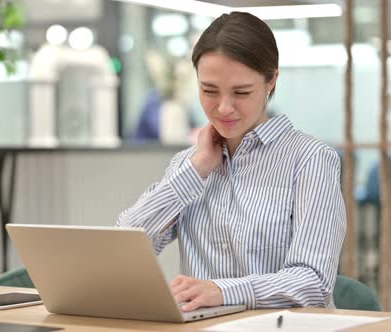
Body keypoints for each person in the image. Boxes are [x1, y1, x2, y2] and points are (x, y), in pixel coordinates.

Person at [117, 12, 346, 311]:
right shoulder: (189, 164)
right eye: (208, 90)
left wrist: (223, 291)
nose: (223, 107)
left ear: (271, 81)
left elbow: (313, 282)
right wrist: (196, 169)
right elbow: (127, 248)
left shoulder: (311, 160)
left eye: (241, 92)